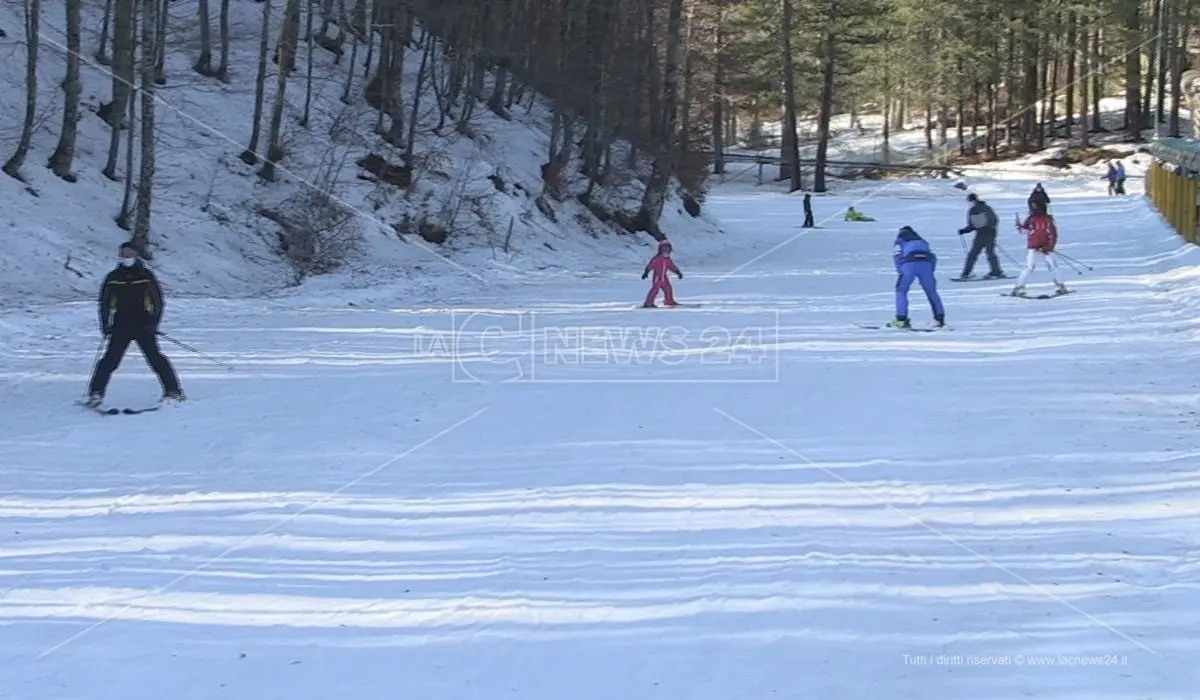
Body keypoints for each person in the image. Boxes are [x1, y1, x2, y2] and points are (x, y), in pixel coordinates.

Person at [85, 241, 184, 406]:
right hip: (120, 324)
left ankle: (173, 391)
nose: (127, 257)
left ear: (136, 255)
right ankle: (96, 394)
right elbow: (104, 302)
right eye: (124, 254)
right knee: (109, 361)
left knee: (155, 359)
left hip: (143, 323)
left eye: (130, 253)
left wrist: (154, 324)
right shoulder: (113, 277)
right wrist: (105, 324)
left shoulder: (145, 276)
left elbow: (158, 302)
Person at [890, 226, 945, 329]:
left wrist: (901, 272)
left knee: (901, 290)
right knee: (931, 291)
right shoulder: (922, 241)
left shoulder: (900, 241)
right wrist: (930, 273)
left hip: (909, 264)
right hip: (926, 264)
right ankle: (940, 318)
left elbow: (897, 257)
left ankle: (901, 319)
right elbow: (933, 257)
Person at [1010, 204, 1068, 298]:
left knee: (1030, 267)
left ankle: (1019, 288)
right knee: (1052, 266)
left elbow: (1024, 231)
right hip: (1042, 247)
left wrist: (1019, 227)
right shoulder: (1042, 219)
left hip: (1037, 247)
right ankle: (1061, 286)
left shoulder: (1035, 219)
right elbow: (1053, 234)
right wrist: (1050, 246)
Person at [956, 193, 1005, 280]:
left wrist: (989, 227)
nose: (969, 203)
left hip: (989, 233)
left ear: (975, 200)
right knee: (973, 254)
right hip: (980, 234)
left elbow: (994, 220)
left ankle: (996, 272)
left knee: (990, 253)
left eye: (971, 201)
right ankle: (966, 273)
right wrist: (964, 230)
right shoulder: (971, 211)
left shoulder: (985, 208)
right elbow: (972, 225)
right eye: (968, 201)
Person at [642, 239, 682, 308]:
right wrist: (646, 272)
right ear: (660, 249)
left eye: (667, 248)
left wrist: (677, 272)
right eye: (664, 248)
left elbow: (671, 266)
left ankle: (669, 301)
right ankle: (648, 303)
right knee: (655, 289)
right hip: (657, 277)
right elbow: (650, 265)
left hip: (664, 277)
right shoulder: (657, 258)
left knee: (668, 288)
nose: (666, 250)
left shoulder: (668, 259)